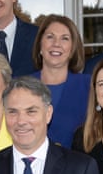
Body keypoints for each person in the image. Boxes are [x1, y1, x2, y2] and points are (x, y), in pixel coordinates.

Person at [30, 14, 91, 148]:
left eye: (65, 39)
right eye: (50, 37)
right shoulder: (22, 87)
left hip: (77, 166)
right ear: (40, 45)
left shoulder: (89, 86)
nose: (56, 44)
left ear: (72, 48)